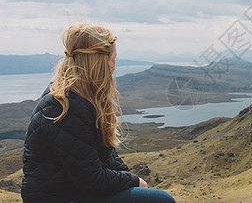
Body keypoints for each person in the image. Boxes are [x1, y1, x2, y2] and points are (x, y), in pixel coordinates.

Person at [21, 23, 175, 203]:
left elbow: (106, 156)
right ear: (100, 62)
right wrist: (134, 181)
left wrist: (127, 179)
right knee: (161, 200)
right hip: (61, 197)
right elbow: (90, 179)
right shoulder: (66, 107)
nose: (115, 65)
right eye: (113, 58)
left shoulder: (78, 98)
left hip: (72, 192)